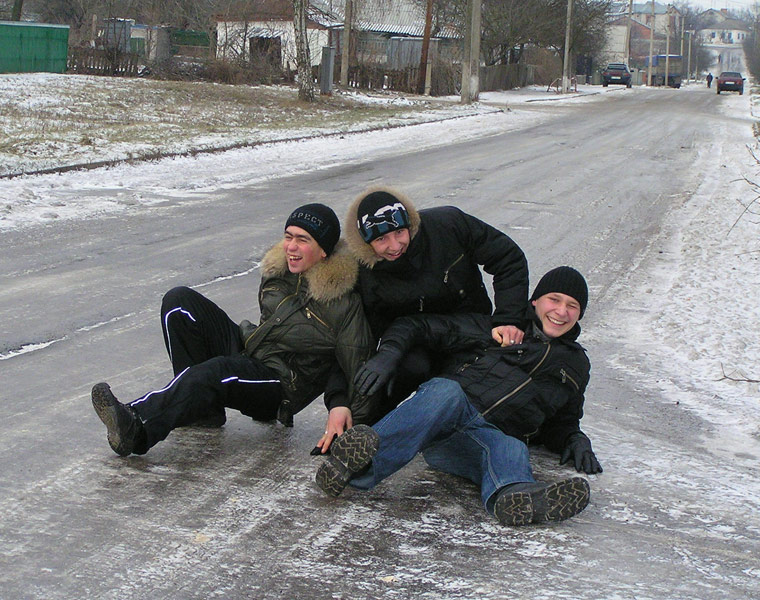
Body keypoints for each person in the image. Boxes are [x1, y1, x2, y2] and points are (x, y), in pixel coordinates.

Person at [314, 266, 602, 526]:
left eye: (572, 305)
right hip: (444, 419)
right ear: (535, 301)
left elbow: (563, 419)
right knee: (446, 390)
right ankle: (356, 466)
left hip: (481, 438)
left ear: (580, 314)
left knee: (511, 446)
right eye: (554, 299)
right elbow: (420, 326)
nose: (561, 311)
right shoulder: (498, 327)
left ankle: (517, 496)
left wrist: (574, 438)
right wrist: (389, 353)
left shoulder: (576, 365)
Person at [91, 203, 376, 457]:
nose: (291, 246)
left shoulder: (343, 303)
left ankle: (137, 428)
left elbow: (355, 365)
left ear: (324, 250)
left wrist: (348, 417)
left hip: (279, 385)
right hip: (250, 349)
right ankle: (201, 411)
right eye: (288, 236)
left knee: (216, 372)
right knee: (179, 302)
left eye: (302, 240)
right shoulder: (279, 274)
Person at [340, 186, 529, 419]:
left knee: (475, 397)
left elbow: (508, 258)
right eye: (381, 239)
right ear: (367, 243)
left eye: (399, 232)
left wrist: (509, 319)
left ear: (409, 224)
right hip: (413, 342)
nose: (395, 245)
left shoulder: (448, 225)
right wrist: (342, 405)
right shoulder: (363, 272)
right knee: (397, 372)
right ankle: (369, 428)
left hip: (467, 331)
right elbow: (355, 341)